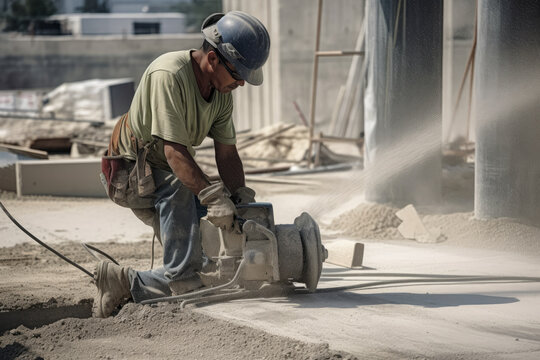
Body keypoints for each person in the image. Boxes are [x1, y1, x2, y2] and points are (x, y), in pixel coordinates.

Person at [93, 11, 271, 318]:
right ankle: (181, 279)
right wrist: (214, 198)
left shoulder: (221, 93)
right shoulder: (169, 75)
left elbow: (227, 155)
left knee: (211, 262)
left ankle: (121, 281)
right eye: (238, 74)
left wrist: (239, 198)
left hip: (163, 173)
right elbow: (175, 154)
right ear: (213, 59)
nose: (241, 84)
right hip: (129, 175)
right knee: (188, 273)